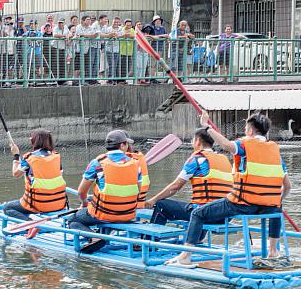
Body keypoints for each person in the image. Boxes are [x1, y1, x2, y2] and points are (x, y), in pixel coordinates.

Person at [166, 112, 292, 267]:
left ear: (250, 131)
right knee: (277, 207)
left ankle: (185, 256)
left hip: (242, 204)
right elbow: (288, 187)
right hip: (267, 208)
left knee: (197, 213)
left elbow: (226, 145)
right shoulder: (275, 153)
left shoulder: (246, 145)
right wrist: (274, 200)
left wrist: (207, 126)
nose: (245, 132)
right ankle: (273, 251)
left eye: (246, 129)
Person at [68, 129, 141, 253]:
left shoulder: (97, 163)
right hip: (128, 214)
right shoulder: (135, 164)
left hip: (104, 214)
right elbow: (137, 190)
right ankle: (101, 236)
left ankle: (95, 237)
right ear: (122, 145)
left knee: (72, 220)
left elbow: (81, 192)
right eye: (126, 144)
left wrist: (85, 202)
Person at [146, 128, 233, 230]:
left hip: (205, 214)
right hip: (224, 216)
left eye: (193, 140)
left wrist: (153, 200)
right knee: (200, 207)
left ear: (198, 141)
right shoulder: (224, 160)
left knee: (161, 205)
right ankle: (195, 240)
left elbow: (175, 187)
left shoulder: (196, 159)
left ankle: (148, 242)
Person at [5, 129, 68, 221]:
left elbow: (16, 174)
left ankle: (31, 224)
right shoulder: (56, 157)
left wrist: (16, 155)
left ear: (34, 141)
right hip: (59, 204)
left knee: (7, 208)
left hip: (37, 206)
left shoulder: (29, 158)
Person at [74, 15, 97, 83]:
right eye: (87, 19)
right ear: (83, 21)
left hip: (87, 49)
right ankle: (75, 81)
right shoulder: (79, 26)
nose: (89, 21)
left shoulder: (91, 28)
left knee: (85, 66)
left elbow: (93, 36)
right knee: (77, 67)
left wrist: (84, 35)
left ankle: (83, 80)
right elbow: (79, 35)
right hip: (79, 50)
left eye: (90, 19)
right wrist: (86, 36)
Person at [118, 19, 135, 83]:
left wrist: (130, 36)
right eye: (127, 25)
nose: (128, 26)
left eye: (130, 25)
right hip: (122, 51)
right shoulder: (122, 29)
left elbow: (135, 36)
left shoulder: (132, 30)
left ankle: (124, 79)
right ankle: (121, 80)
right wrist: (125, 35)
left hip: (129, 52)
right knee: (123, 66)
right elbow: (120, 36)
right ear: (125, 24)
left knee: (128, 67)